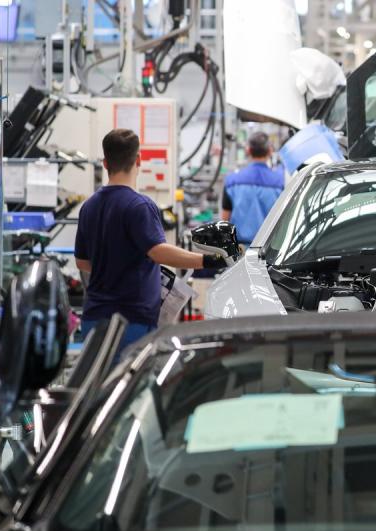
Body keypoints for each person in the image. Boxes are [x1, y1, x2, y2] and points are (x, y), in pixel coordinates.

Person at [75, 129, 228, 359]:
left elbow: (82, 262)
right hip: (130, 322)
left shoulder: (89, 206)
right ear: (139, 160)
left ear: (105, 163)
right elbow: (158, 252)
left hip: (93, 319)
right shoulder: (140, 205)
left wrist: (113, 267)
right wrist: (207, 260)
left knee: (98, 387)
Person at [221, 132, 284, 244]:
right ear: (270, 151)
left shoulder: (232, 181)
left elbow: (224, 222)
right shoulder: (280, 182)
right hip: (270, 250)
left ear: (248, 151)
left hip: (240, 250)